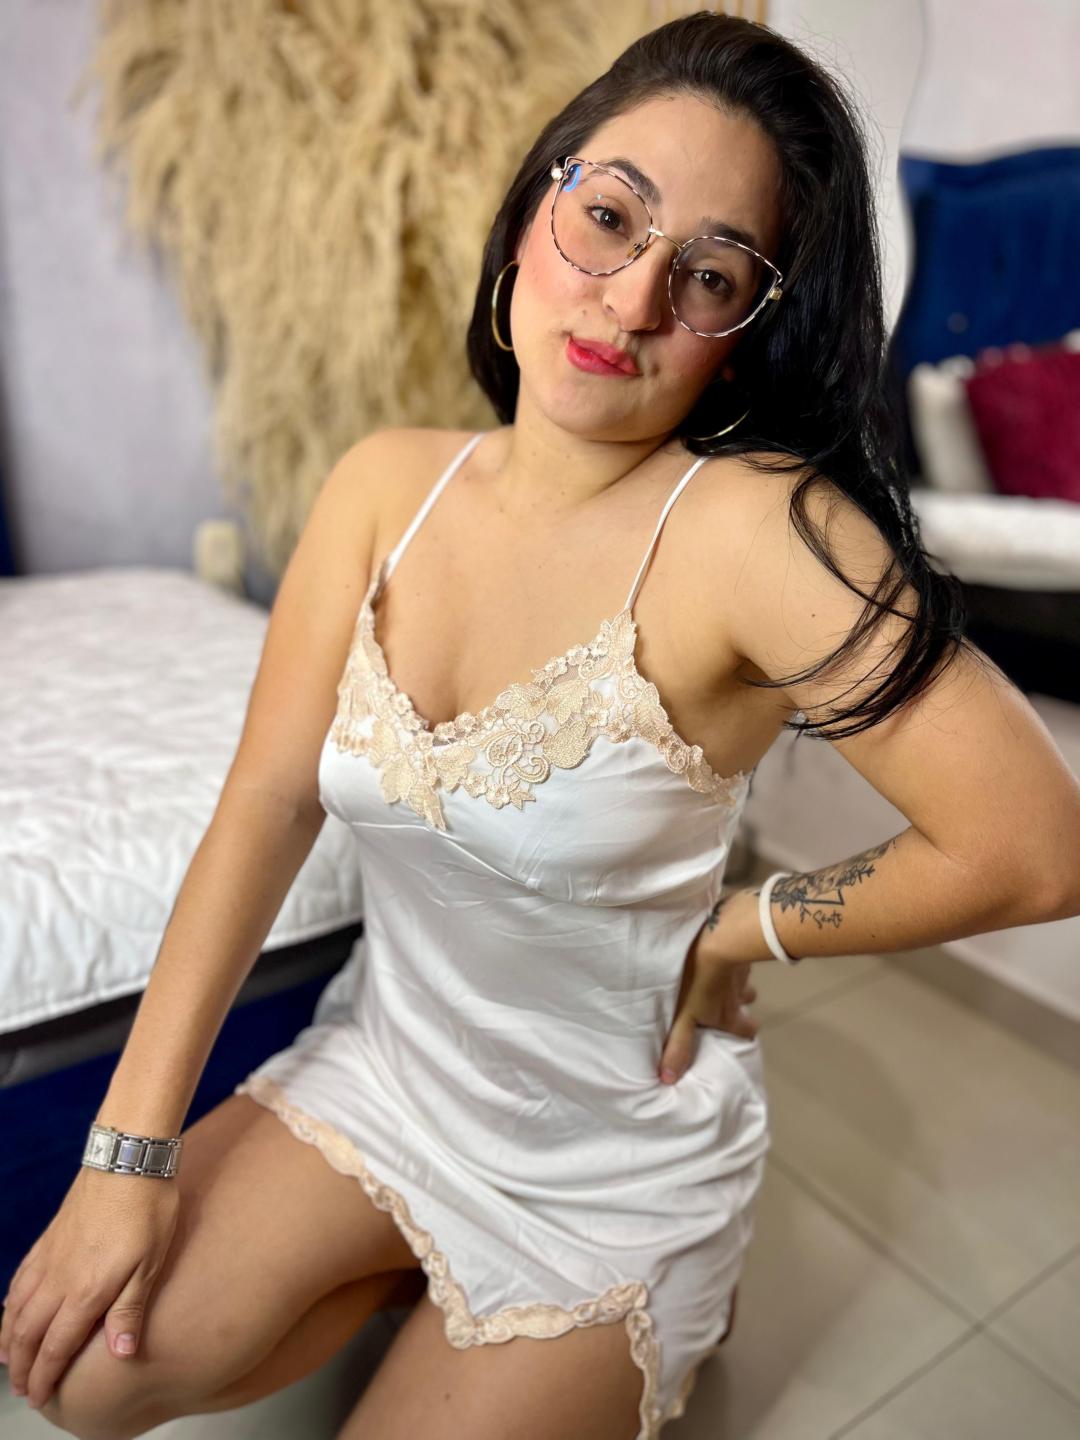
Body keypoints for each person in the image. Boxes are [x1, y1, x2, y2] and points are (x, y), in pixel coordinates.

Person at [5, 12, 1078, 1440]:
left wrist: (739, 930)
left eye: (708, 275)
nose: (629, 304)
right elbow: (268, 801)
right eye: (610, 218)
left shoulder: (758, 534)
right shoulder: (384, 486)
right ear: (531, 216)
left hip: (607, 1158)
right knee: (80, 1376)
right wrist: (123, 1157)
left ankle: (657, 1292)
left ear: (743, 340)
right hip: (393, 1067)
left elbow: (1035, 844)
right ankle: (412, 1272)